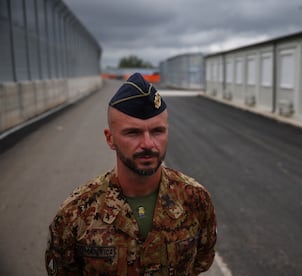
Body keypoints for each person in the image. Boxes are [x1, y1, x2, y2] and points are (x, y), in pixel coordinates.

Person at [45, 73, 217, 275]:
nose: (148, 144)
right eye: (133, 133)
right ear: (110, 139)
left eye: (157, 131)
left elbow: (201, 263)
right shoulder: (75, 213)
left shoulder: (195, 199)